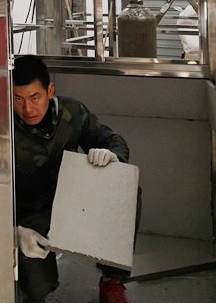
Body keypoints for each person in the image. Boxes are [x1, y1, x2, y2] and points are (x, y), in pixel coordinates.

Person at [13, 55, 139, 303]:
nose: (28, 109)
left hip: (74, 201)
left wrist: (112, 155)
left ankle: (112, 280)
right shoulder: (2, 128)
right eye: (18, 99)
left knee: (127, 190)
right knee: (38, 287)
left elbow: (114, 140)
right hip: (31, 217)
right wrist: (12, 232)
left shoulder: (72, 111)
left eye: (35, 97)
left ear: (50, 91)